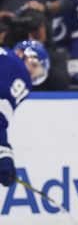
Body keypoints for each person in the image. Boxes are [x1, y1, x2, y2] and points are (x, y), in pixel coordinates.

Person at [0, 40, 44, 189]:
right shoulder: (18, 70)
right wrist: (3, 154)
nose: (34, 73)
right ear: (20, 53)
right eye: (34, 65)